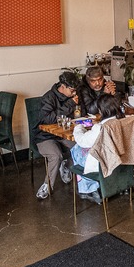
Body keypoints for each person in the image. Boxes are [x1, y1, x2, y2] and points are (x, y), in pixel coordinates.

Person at [32, 71, 82, 199]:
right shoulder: (48, 98)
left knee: (79, 147)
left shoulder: (72, 96)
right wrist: (70, 104)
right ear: (63, 86)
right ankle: (47, 186)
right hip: (44, 136)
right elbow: (47, 118)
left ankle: (67, 167)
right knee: (56, 155)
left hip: (63, 134)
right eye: (72, 90)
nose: (74, 93)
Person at [70, 94, 126, 204]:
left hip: (104, 163)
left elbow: (82, 140)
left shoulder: (101, 128)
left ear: (100, 110)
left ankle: (88, 189)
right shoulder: (124, 122)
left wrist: (78, 128)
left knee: (76, 149)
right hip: (122, 161)